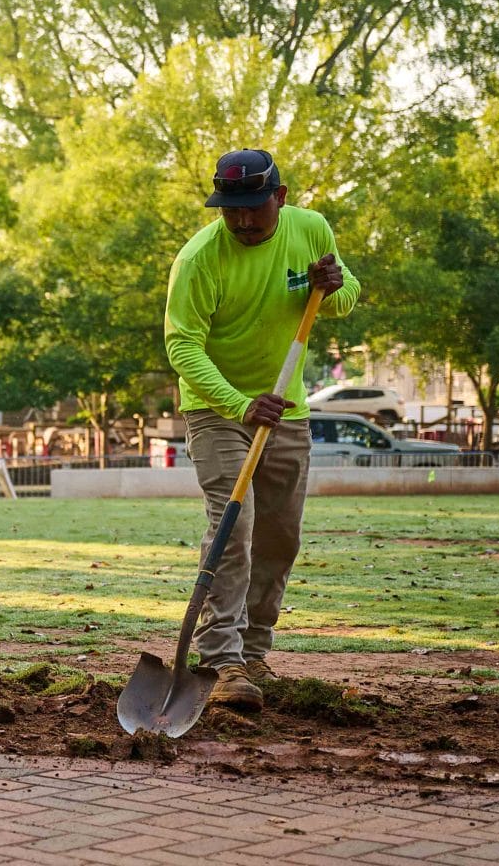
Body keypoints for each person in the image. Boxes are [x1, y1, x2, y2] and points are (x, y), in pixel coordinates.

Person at [164, 149, 359, 711]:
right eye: (232, 211)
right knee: (233, 524)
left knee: (279, 536)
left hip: (286, 409)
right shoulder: (200, 258)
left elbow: (343, 300)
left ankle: (252, 654)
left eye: (255, 209)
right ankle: (221, 660)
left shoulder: (310, 229)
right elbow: (182, 346)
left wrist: (334, 284)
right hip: (218, 407)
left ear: (281, 196)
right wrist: (239, 402)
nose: (245, 221)